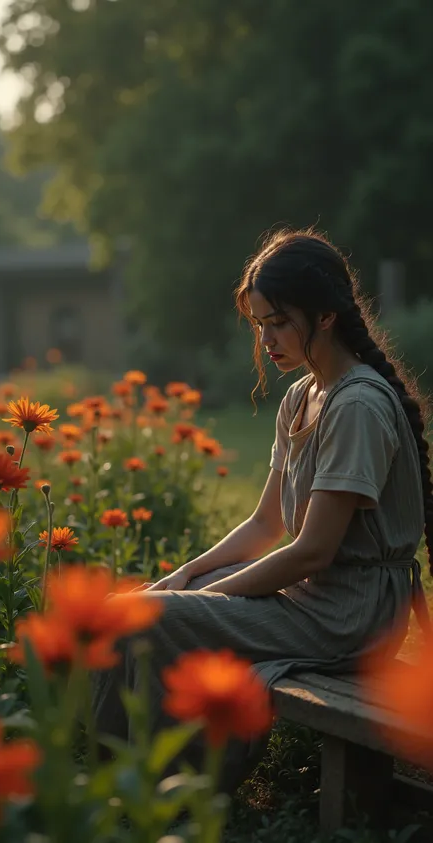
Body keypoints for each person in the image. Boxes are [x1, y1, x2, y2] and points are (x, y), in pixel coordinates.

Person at [92, 228, 432, 793]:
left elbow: (312, 550)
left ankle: (157, 788)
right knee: (133, 605)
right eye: (259, 325)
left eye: (278, 322)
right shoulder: (303, 395)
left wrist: (197, 601)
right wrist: (186, 576)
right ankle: (113, 772)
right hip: (317, 597)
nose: (267, 338)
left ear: (325, 316)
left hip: (351, 616)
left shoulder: (358, 406)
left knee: (152, 620)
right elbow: (264, 525)